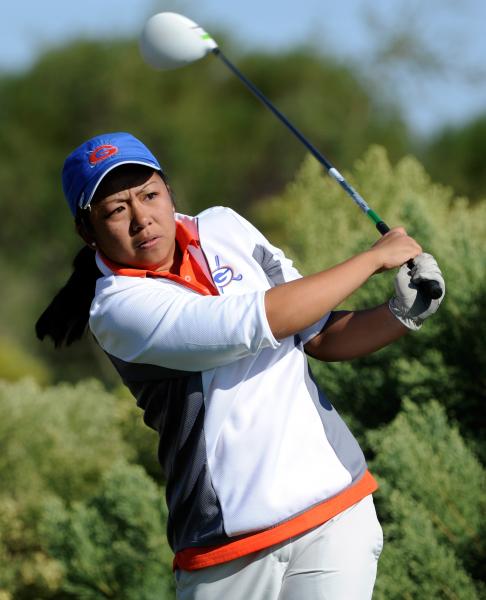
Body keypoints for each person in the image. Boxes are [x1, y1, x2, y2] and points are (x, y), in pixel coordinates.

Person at [36, 132, 445, 600]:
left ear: (169, 192)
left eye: (149, 195)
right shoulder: (116, 310)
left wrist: (401, 313)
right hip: (228, 549)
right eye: (115, 210)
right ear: (87, 231)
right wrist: (373, 259)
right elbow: (251, 323)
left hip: (335, 510)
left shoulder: (224, 227)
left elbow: (318, 332)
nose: (141, 219)